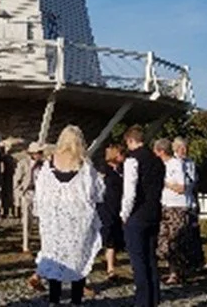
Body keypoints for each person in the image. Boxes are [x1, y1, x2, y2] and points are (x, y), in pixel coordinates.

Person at [34, 125, 103, 306]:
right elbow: (96, 192)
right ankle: (75, 300)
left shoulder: (49, 165)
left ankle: (54, 300)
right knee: (77, 259)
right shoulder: (85, 165)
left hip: (54, 220)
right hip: (77, 221)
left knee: (55, 256)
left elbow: (40, 193)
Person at [121, 125, 165, 307]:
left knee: (138, 261)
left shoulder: (133, 160)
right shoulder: (158, 161)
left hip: (138, 214)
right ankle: (153, 299)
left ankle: (142, 301)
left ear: (131, 141)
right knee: (151, 258)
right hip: (154, 211)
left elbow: (130, 192)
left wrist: (124, 213)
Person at [154, 138, 191, 285]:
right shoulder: (162, 165)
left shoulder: (176, 164)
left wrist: (165, 183)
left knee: (175, 240)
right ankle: (172, 271)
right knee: (164, 240)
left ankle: (177, 272)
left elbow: (181, 188)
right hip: (165, 204)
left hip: (177, 206)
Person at [173, 136, 207, 272]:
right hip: (177, 202)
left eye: (186, 148)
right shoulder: (172, 163)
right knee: (180, 235)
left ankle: (196, 261)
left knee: (193, 233)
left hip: (190, 202)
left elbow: (194, 182)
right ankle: (180, 263)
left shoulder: (190, 163)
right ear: (176, 148)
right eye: (181, 148)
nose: (184, 150)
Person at [99, 144, 125, 281]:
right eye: (121, 154)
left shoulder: (122, 170)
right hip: (106, 206)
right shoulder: (104, 170)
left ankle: (111, 267)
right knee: (105, 236)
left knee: (113, 239)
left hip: (118, 207)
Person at [14, 142, 45, 254]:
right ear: (33, 153)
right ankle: (25, 245)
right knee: (27, 220)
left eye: (41, 152)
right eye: (38, 153)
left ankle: (43, 244)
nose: (40, 154)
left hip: (39, 194)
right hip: (27, 193)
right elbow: (16, 180)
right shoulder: (23, 163)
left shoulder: (43, 165)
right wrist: (18, 195)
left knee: (40, 220)